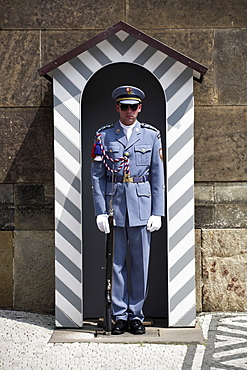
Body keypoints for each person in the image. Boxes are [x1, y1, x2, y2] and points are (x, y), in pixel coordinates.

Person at [91, 85, 165, 335]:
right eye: (125, 106)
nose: (129, 111)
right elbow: (97, 176)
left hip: (142, 207)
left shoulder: (151, 136)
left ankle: (136, 314)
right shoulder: (104, 136)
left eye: (134, 106)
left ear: (140, 108)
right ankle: (119, 315)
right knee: (118, 264)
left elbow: (157, 176)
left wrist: (158, 211)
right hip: (116, 208)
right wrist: (100, 210)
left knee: (141, 265)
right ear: (117, 108)